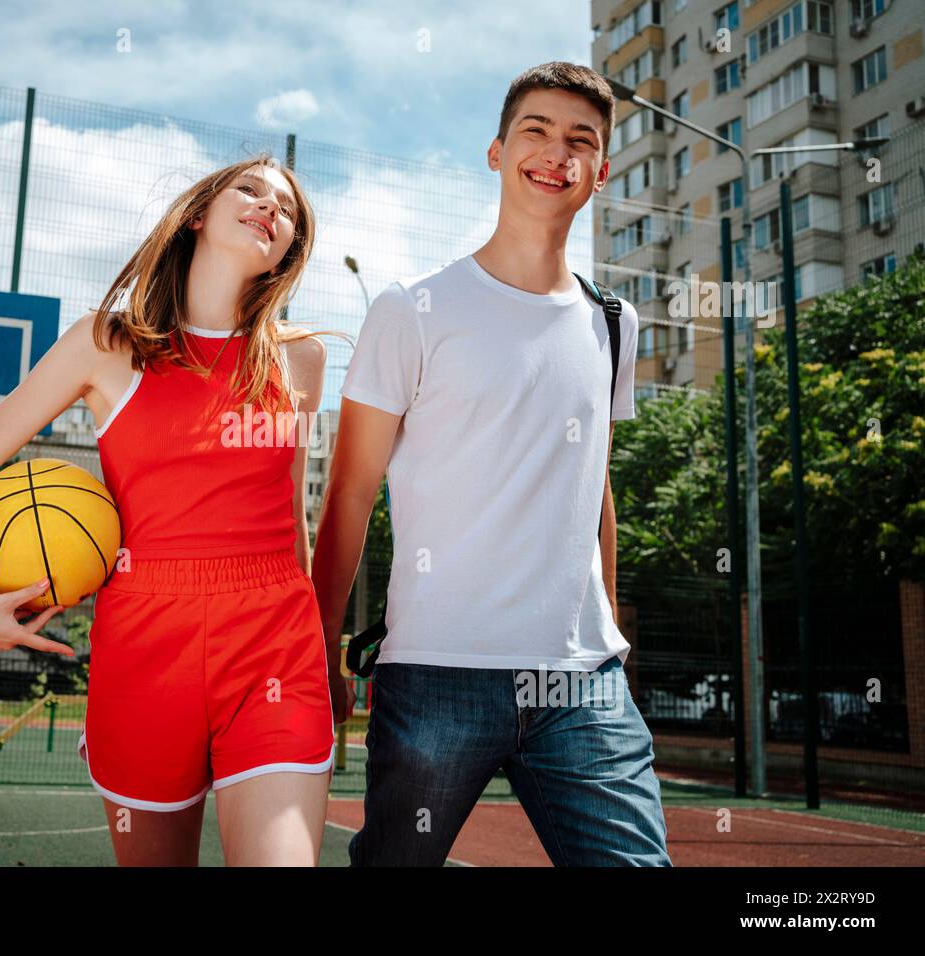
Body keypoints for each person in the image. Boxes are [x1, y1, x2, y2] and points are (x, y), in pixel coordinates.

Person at [311, 62, 672, 866]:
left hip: (582, 686)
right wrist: (317, 651)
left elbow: (598, 488)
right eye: (536, 132)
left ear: (601, 170)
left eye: (581, 140)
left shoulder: (616, 323)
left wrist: (607, 629)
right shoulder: (411, 309)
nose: (557, 153)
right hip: (437, 675)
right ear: (497, 151)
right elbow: (349, 497)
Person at [0, 154, 343, 866]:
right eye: (251, 190)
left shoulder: (297, 360)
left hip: (273, 640)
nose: (269, 208)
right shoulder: (106, 344)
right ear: (198, 214)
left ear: (288, 251)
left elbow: (289, 512)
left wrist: (326, 643)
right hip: (147, 645)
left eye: (288, 211)